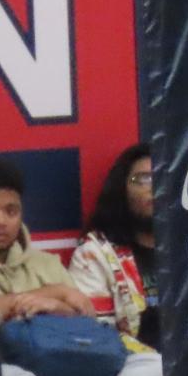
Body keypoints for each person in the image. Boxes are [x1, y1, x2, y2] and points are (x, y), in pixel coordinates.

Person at [0, 156, 163, 376]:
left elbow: (86, 315)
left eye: (11, 210)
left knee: (154, 366)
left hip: (77, 366)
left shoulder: (43, 262)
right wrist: (50, 294)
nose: (0, 221)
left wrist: (57, 304)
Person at [69, 146, 158, 350]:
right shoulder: (95, 253)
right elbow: (95, 337)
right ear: (122, 189)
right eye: (142, 179)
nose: (154, 187)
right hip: (134, 368)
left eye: (163, 176)